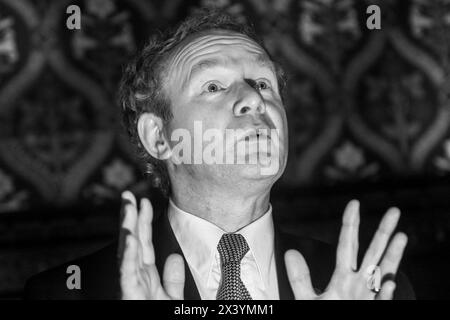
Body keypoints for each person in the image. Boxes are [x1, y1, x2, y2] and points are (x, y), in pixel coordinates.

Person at [23, 9, 414, 300]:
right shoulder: (66, 292)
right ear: (159, 137)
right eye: (213, 86)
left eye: (262, 82)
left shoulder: (372, 285)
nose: (252, 99)